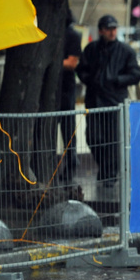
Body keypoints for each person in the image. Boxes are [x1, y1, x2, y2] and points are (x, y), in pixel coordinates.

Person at [76, 15, 140, 184]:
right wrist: (91, 80)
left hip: (115, 103)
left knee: (113, 140)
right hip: (94, 101)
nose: (112, 32)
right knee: (93, 137)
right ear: (101, 31)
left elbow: (135, 75)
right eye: (108, 29)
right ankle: (105, 170)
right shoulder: (91, 49)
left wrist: (117, 80)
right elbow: (81, 69)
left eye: (114, 28)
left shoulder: (126, 51)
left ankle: (110, 174)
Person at [56, 15, 82, 183]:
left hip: (65, 88)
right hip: (55, 87)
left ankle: (70, 164)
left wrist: (52, 62)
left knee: (67, 129)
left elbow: (72, 63)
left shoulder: (71, 35)